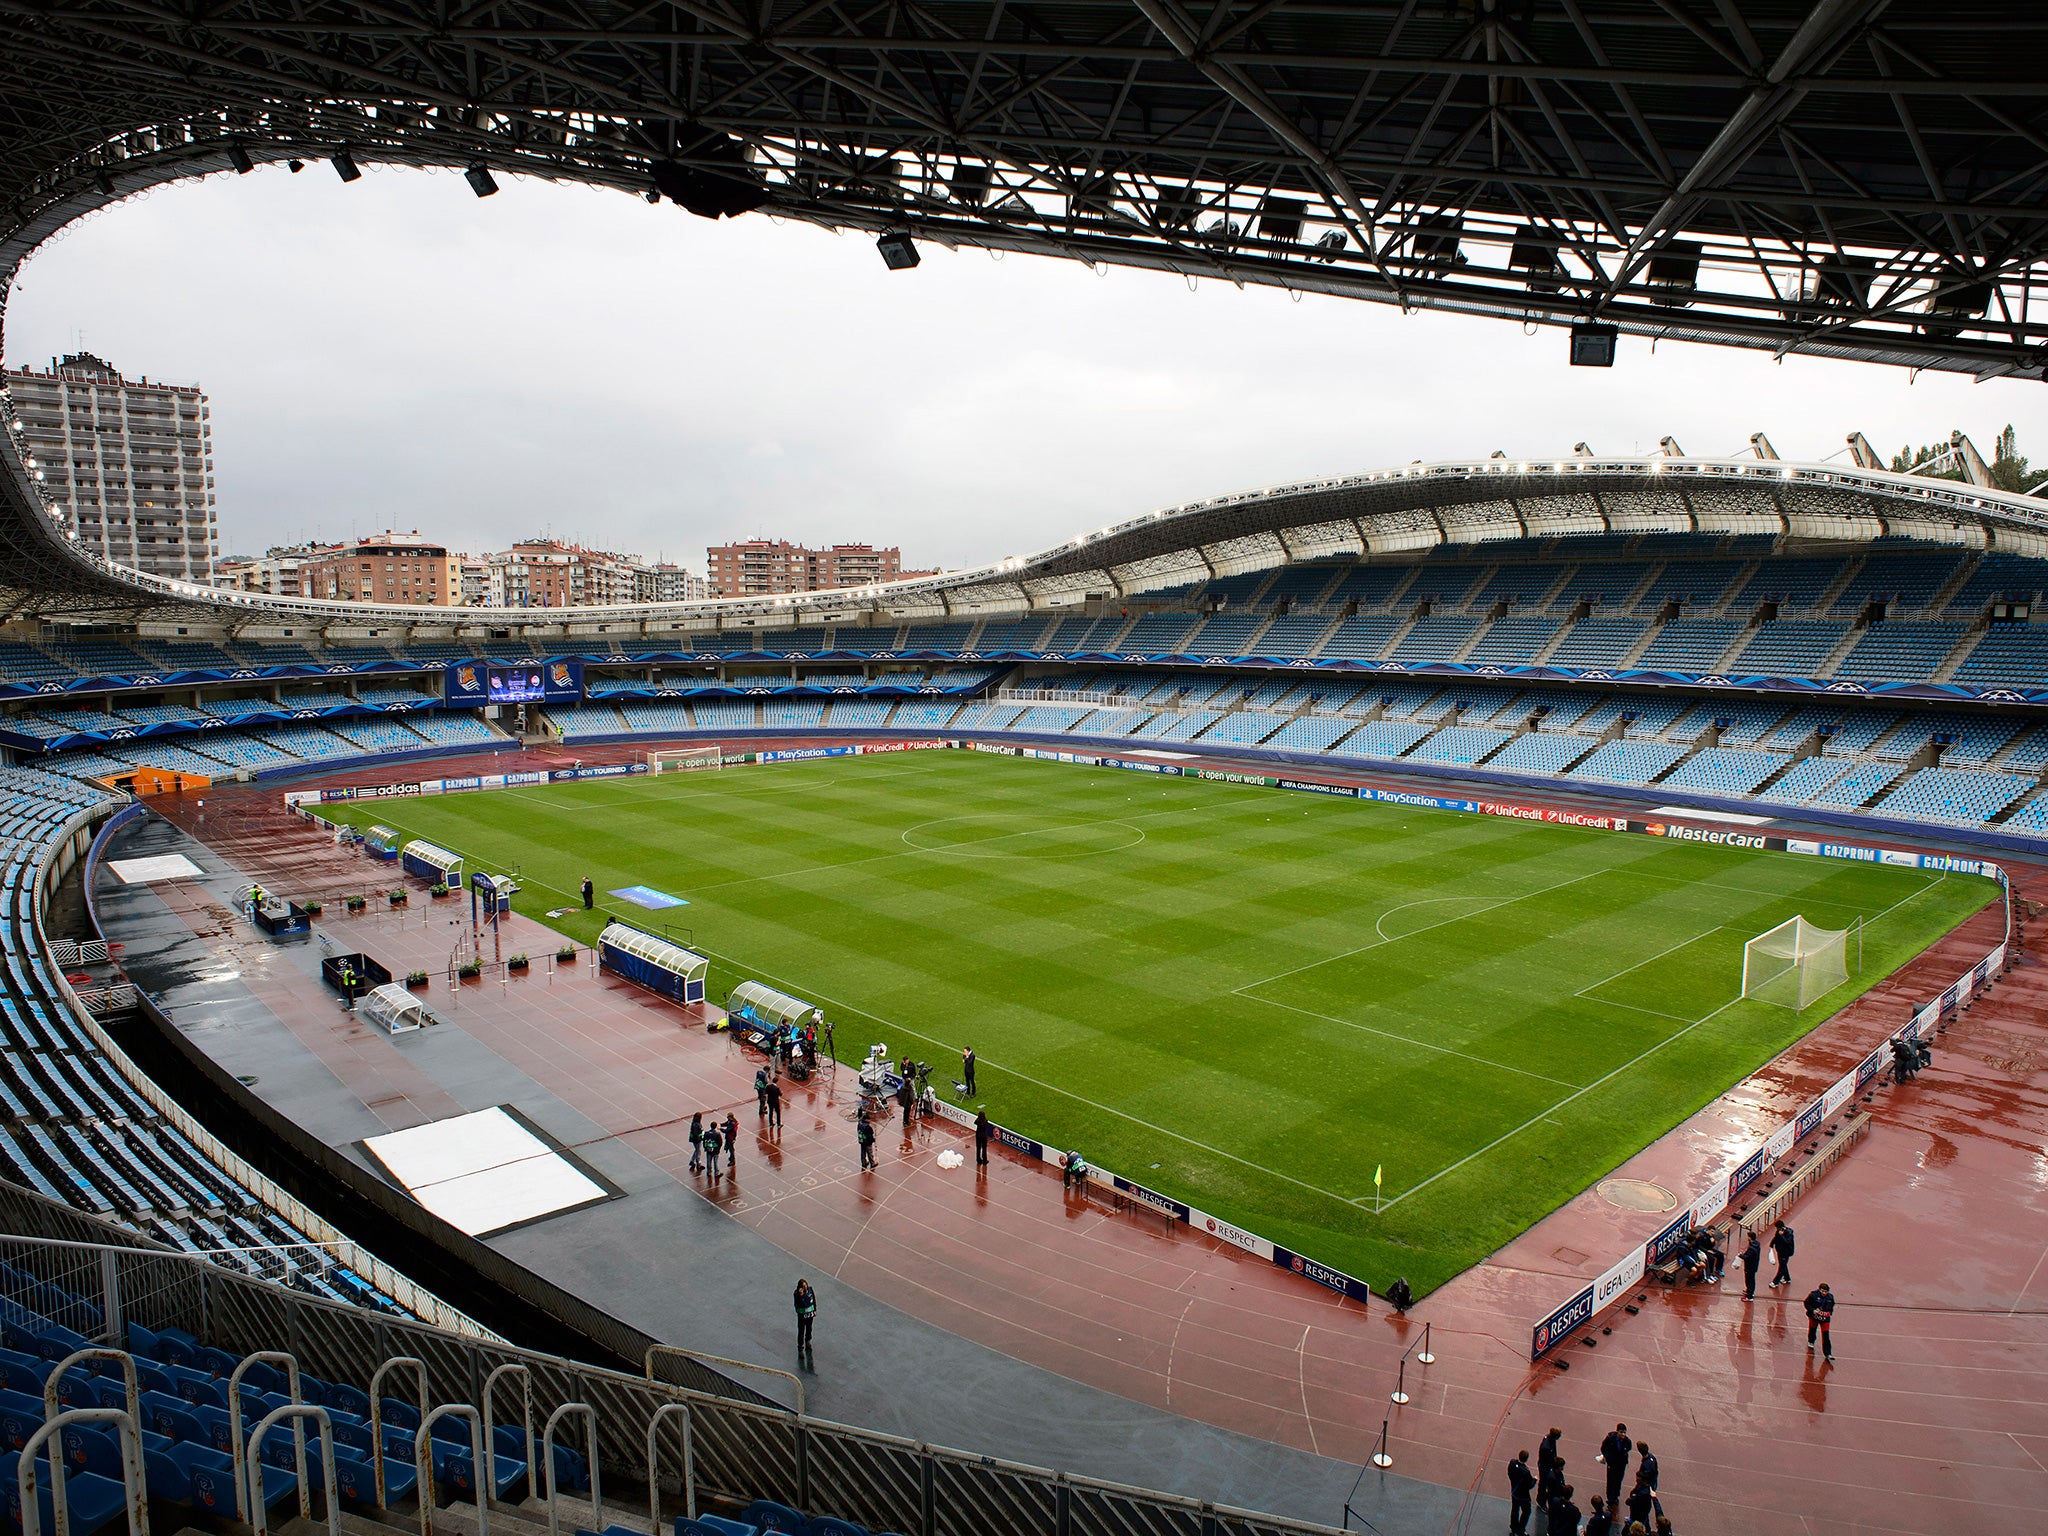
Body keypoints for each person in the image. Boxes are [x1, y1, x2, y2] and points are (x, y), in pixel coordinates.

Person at [1598, 1424, 1631, 1513]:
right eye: (1621, 1432)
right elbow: (1603, 1448)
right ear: (1617, 1432)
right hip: (1612, 1464)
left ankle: (1615, 1496)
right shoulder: (1610, 1439)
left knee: (1618, 1480)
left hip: (1621, 1464)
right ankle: (1610, 1500)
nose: (1623, 1434)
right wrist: (1607, 1457)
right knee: (1611, 1481)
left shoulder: (1627, 1441)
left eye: (1624, 1432)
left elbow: (1628, 1448)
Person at [1803, 1281, 1836, 1361]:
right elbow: (1806, 1303)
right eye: (1823, 1291)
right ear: (1820, 1290)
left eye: (1826, 1291)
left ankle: (1828, 1353)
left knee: (1826, 1335)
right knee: (1813, 1329)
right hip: (1814, 1317)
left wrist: (1829, 1312)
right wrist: (1813, 1310)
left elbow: (1832, 1306)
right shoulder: (1813, 1295)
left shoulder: (1830, 1297)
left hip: (1825, 1319)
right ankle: (1811, 1340)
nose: (1824, 1293)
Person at [1506, 1449, 1536, 1536]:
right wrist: (1534, 1480)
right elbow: (1530, 1485)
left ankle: (1513, 1527)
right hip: (1523, 1496)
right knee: (1526, 1511)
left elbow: (1509, 1473)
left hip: (1514, 1492)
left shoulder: (1512, 1463)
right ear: (1526, 1459)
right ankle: (1521, 1529)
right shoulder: (1526, 1472)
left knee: (1515, 1509)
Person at [793, 1278, 817, 1368]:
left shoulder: (810, 1290)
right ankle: (800, 1348)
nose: (805, 1287)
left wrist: (814, 1310)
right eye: (803, 1286)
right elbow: (798, 1304)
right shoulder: (797, 1294)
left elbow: (813, 1300)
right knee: (801, 1331)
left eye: (805, 1285)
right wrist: (801, 1295)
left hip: (809, 1314)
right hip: (802, 1316)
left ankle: (808, 1341)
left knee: (809, 1328)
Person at [1536, 1428, 1562, 1507]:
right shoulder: (1546, 1447)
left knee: (1546, 1484)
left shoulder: (1551, 1439)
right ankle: (1541, 1501)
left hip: (1548, 1465)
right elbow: (1546, 1459)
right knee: (1543, 1484)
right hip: (1545, 1466)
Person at [1770, 1220, 1795, 1288]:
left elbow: (1787, 1242)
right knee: (1783, 1265)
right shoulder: (1779, 1231)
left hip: (1786, 1252)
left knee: (1781, 1267)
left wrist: (1781, 1236)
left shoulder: (1789, 1233)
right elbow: (1776, 1237)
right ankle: (1787, 1278)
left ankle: (1776, 1282)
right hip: (1780, 1251)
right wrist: (1772, 1243)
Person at [1740, 1228, 1762, 1300]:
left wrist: (1740, 1255)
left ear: (1750, 1238)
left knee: (1749, 1280)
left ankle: (1749, 1296)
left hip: (1750, 1266)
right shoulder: (1756, 1245)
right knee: (1750, 1280)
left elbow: (1747, 1257)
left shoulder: (1752, 1248)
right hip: (1753, 1265)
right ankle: (1749, 1291)